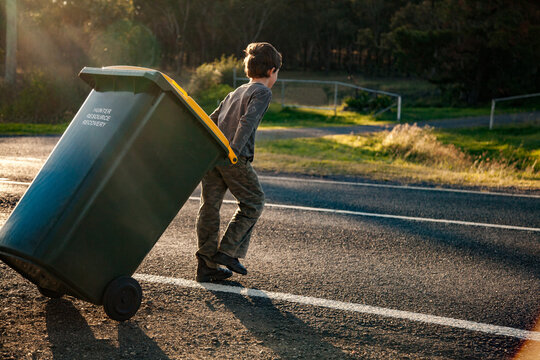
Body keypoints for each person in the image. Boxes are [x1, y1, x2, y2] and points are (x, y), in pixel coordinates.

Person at [195, 42, 282, 282]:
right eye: (277, 73)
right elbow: (247, 122)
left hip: (213, 156)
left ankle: (206, 265)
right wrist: (233, 151)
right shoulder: (263, 92)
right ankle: (228, 252)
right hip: (234, 157)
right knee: (254, 202)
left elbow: (210, 120)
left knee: (209, 207)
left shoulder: (234, 92)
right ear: (272, 70)